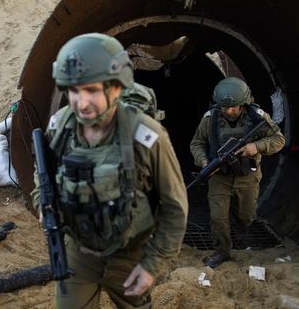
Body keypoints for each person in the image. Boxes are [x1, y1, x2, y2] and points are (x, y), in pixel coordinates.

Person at [31, 33, 188, 308]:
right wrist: (43, 206)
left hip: (130, 256)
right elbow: (42, 176)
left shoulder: (147, 135)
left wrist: (151, 265)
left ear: (116, 87)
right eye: (73, 90)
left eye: (91, 90)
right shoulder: (60, 127)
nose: (81, 102)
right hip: (79, 252)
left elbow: (175, 208)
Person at [189, 77, 285, 268]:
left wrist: (256, 146)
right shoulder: (210, 119)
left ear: (243, 103)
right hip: (219, 177)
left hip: (247, 176)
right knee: (218, 217)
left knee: (246, 215)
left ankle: (241, 235)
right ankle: (222, 251)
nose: (229, 111)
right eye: (225, 107)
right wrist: (205, 162)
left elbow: (279, 139)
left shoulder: (257, 117)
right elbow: (197, 143)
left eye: (234, 107)